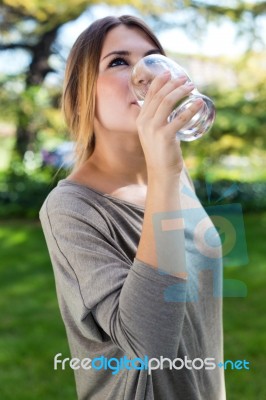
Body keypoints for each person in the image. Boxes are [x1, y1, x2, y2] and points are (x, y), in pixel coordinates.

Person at [40, 15, 226, 400]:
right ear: (81, 94)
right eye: (119, 62)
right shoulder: (70, 208)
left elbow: (200, 327)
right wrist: (163, 171)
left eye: (154, 58)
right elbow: (149, 348)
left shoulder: (174, 175)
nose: (146, 76)